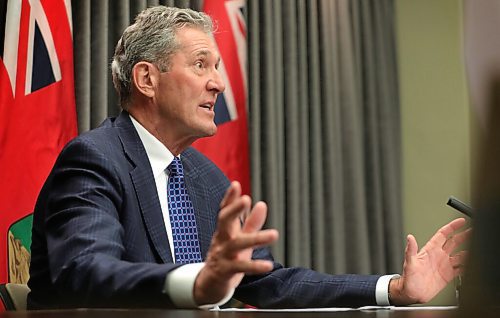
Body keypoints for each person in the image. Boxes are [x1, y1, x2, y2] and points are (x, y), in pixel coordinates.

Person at [27, 6, 468, 309]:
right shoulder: (94, 159)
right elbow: (84, 273)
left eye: (218, 66)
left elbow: (268, 281)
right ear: (146, 78)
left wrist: (393, 288)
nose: (218, 83)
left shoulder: (205, 178)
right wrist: (196, 283)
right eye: (201, 64)